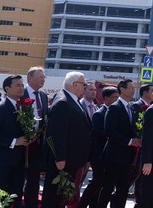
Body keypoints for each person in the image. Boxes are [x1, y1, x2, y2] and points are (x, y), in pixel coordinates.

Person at [42, 72, 93, 208]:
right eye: (84, 84)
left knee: (62, 196)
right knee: (54, 195)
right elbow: (57, 133)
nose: (85, 87)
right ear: (75, 85)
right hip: (63, 161)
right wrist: (60, 157)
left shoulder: (73, 100)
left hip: (73, 159)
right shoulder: (63, 102)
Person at [0, 75, 30, 207]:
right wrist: (14, 141)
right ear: (7, 88)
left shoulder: (23, 107)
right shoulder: (0, 108)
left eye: (22, 85)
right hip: (2, 162)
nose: (21, 88)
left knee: (15, 196)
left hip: (19, 161)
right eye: (17, 85)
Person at [98, 79, 141, 208]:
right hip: (114, 156)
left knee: (123, 189)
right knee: (108, 187)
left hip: (128, 157)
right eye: (131, 87)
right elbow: (110, 131)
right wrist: (129, 141)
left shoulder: (132, 108)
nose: (133, 90)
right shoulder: (114, 108)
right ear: (122, 89)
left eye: (134, 88)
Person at [78, 86, 119, 208]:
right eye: (114, 97)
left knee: (103, 183)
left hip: (109, 155)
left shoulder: (115, 112)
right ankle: (82, 204)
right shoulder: (99, 114)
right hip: (99, 155)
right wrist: (113, 134)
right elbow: (97, 134)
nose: (117, 100)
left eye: (118, 97)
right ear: (106, 98)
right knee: (97, 181)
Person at [22, 67, 49, 208]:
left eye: (44, 77)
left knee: (34, 178)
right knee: (19, 178)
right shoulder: (21, 93)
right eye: (40, 77)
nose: (43, 80)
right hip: (22, 144)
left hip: (38, 144)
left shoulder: (43, 96)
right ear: (29, 78)